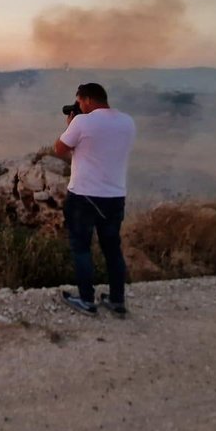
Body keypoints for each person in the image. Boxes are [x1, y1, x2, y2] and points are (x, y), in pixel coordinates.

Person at [52, 82, 136, 317]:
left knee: (81, 248)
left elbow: (59, 149)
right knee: (112, 249)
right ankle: (117, 300)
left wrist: (70, 125)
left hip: (84, 197)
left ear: (87, 99)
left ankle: (87, 301)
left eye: (79, 101)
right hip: (115, 196)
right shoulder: (127, 121)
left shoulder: (82, 122)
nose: (78, 106)